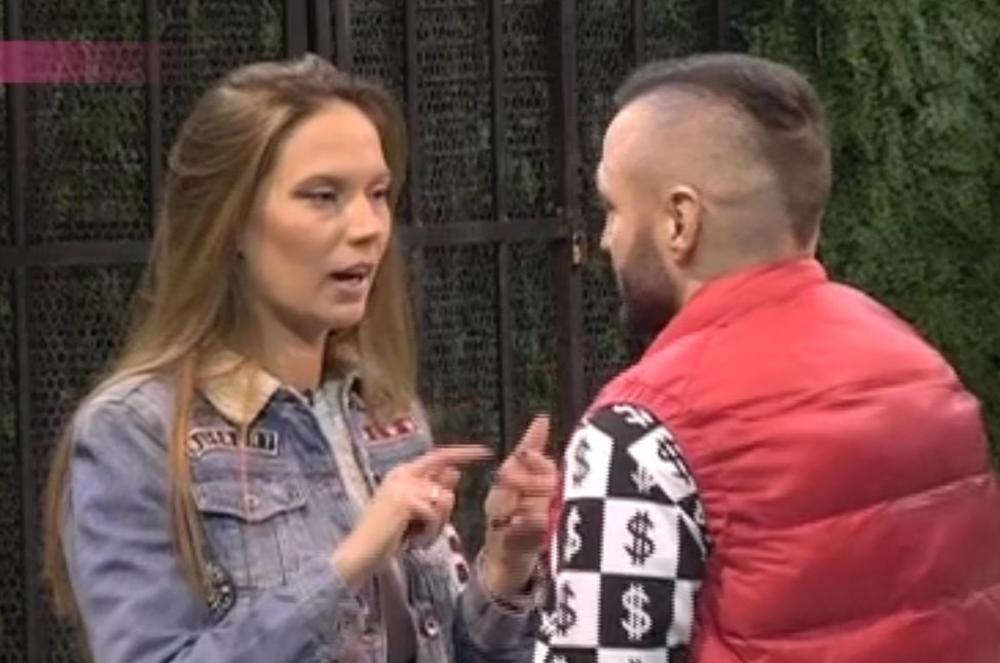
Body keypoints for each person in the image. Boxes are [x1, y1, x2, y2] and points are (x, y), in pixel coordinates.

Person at [42, 54, 557, 663]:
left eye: (378, 194)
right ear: (232, 222)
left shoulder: (387, 415)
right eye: (323, 196)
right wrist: (348, 565)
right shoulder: (137, 431)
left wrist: (506, 568)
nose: (367, 227)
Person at [534, 53, 1000, 662]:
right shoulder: (924, 373)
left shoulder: (639, 434)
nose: (605, 239)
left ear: (679, 221)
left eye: (614, 209)